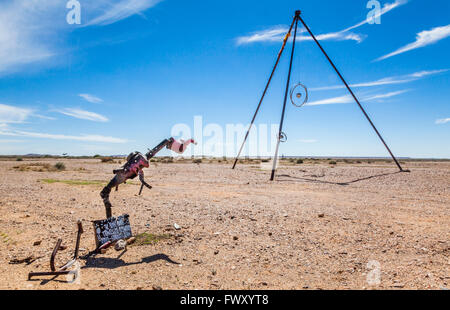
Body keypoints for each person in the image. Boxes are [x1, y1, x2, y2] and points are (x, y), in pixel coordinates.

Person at [100, 137, 196, 218]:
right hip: (123, 173)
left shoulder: (141, 162)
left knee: (115, 183)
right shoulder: (131, 166)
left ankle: (106, 196)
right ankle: (106, 196)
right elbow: (132, 170)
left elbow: (141, 169)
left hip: (125, 173)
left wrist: (143, 181)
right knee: (113, 184)